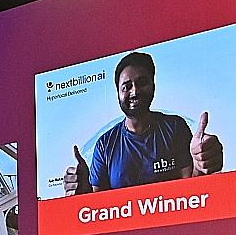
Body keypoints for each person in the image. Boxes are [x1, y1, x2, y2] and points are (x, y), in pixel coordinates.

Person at [63, 51, 224, 195]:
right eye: (126, 87)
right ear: (118, 94)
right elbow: (99, 209)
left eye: (142, 83)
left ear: (153, 86)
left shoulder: (175, 128)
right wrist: (83, 196)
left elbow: (191, 191)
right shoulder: (104, 145)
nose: (134, 91)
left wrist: (201, 166)